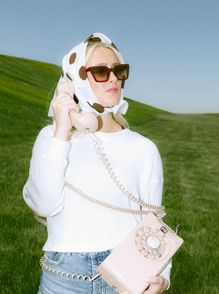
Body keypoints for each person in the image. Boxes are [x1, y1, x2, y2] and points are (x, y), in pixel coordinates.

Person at [23, 32, 171, 294]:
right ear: (76, 79)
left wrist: (163, 278)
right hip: (64, 279)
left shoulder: (144, 148)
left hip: (126, 274)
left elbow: (154, 222)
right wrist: (61, 132)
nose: (113, 77)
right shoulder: (53, 138)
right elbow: (42, 203)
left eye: (119, 70)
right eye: (101, 71)